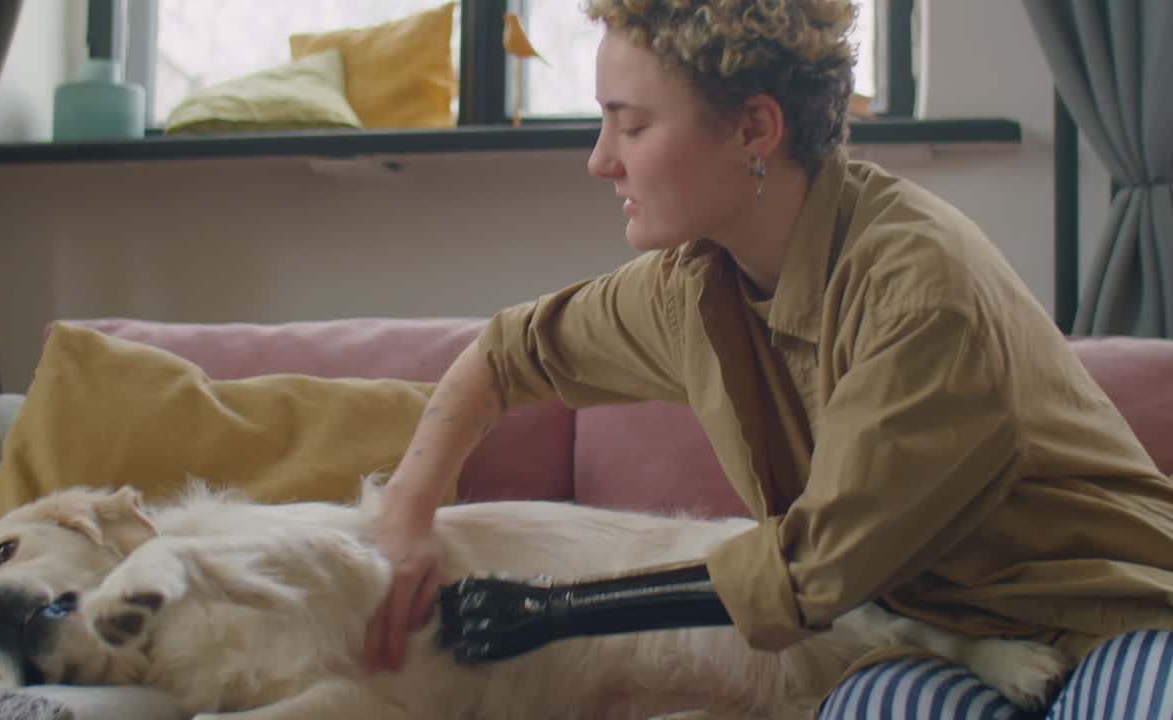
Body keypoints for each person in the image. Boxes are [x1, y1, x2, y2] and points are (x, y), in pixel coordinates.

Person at [362, 0, 1173, 717]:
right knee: (872, 707)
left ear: (754, 129)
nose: (601, 159)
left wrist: (544, 611)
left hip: (1114, 617)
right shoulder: (693, 287)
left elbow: (814, 569)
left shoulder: (921, 293)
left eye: (631, 125)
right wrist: (406, 510)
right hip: (957, 646)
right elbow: (508, 353)